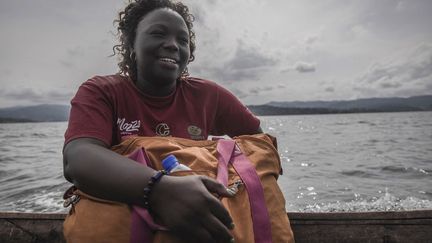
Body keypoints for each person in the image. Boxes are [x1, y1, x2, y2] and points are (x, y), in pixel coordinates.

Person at [63, 0, 262, 242]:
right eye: (158, 34)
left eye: (183, 40)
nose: (172, 45)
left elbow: (258, 142)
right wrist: (160, 191)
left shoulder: (209, 96)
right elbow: (78, 157)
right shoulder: (102, 91)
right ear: (131, 45)